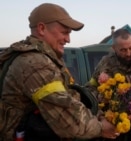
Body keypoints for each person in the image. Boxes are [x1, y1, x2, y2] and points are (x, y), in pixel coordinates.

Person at [0, 3, 119, 141]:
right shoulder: (35, 64)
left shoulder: (44, 58)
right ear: (42, 28)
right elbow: (68, 120)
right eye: (64, 32)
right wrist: (101, 128)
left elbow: (70, 97)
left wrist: (97, 116)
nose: (68, 39)